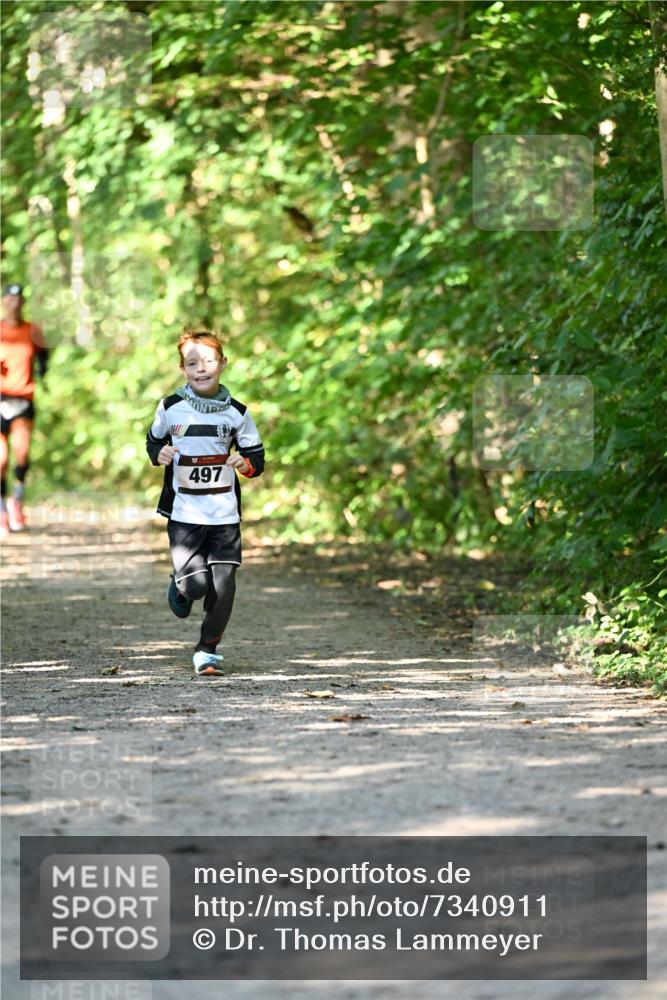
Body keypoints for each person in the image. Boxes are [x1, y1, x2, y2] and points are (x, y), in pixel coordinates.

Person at [146, 330, 265, 676]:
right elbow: (153, 441)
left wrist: (245, 463)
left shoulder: (237, 413)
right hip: (185, 514)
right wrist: (159, 453)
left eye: (209, 361)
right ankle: (181, 585)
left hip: (224, 513)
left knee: (225, 583)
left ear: (222, 364)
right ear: (182, 369)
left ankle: (207, 650)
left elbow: (256, 457)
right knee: (196, 585)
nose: (201, 368)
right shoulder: (170, 408)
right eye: (192, 363)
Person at [0, 283, 49, 538]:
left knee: (21, 454)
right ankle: (1, 511)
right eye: (10, 299)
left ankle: (16, 500)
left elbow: (43, 352)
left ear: (22, 303)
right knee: (1, 459)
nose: (14, 303)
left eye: (19, 299)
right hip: (0, 398)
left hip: (23, 399)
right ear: (3, 302)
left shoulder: (32, 330)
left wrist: (42, 369)